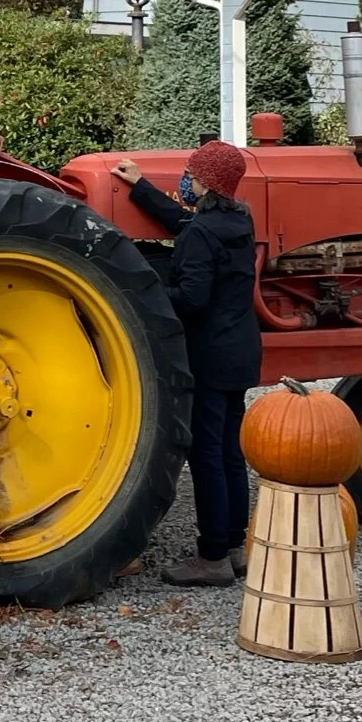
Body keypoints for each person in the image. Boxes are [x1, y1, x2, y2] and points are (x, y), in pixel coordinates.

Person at [112, 138, 261, 587]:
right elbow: (184, 222)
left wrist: (144, 293)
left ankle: (211, 555)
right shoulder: (238, 221)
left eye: (191, 176)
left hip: (210, 355)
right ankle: (235, 548)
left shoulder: (203, 232)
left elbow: (192, 299)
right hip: (241, 351)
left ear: (208, 183)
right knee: (232, 453)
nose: (186, 183)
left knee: (206, 455)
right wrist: (141, 187)